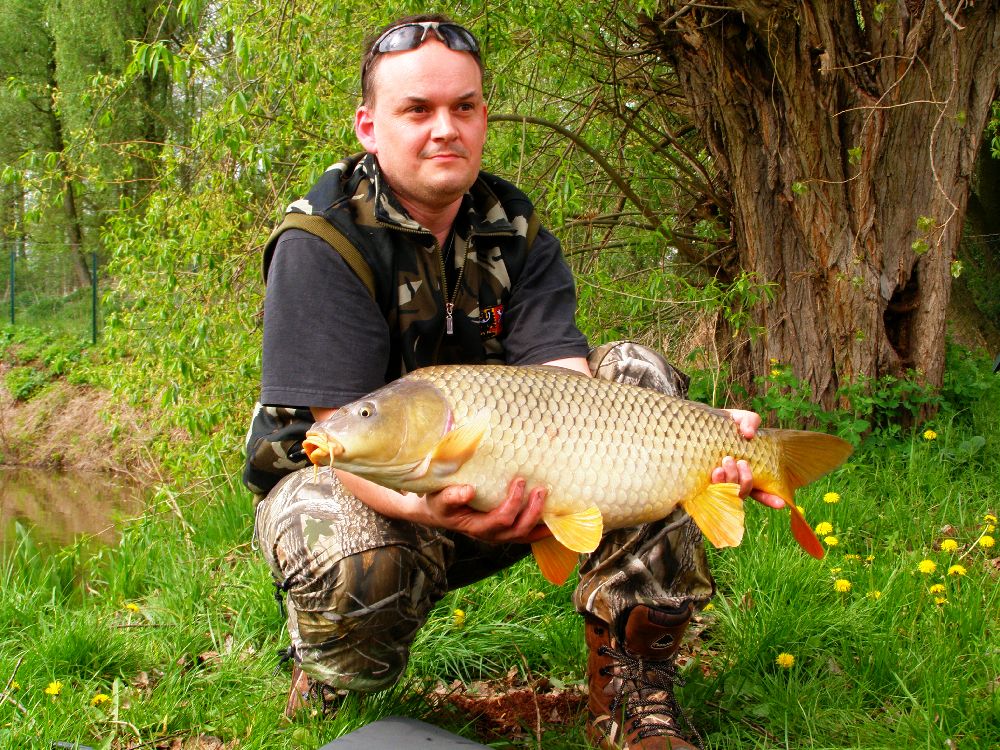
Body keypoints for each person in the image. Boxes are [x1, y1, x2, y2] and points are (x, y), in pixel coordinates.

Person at [244, 14, 783, 750]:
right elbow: (340, 441)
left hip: (504, 474)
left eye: (463, 107)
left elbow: (565, 383)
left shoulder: (513, 227)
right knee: (346, 551)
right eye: (417, 110)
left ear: (484, 118)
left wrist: (701, 441)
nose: (445, 129)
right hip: (362, 491)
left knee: (638, 375)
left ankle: (632, 688)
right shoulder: (323, 238)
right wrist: (436, 511)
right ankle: (334, 676)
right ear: (369, 126)